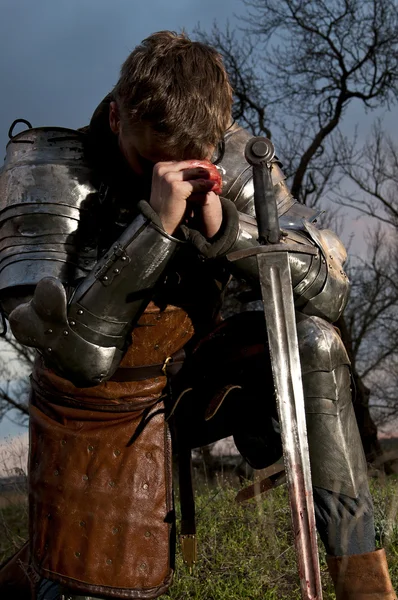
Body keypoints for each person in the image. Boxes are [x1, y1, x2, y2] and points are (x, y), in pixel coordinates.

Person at [0, 30, 396, 600]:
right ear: (116, 118)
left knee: (315, 343)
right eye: (148, 158)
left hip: (193, 376)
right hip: (98, 405)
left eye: (193, 160)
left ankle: (369, 588)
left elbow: (332, 290)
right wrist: (156, 228)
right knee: (78, 589)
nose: (169, 174)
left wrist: (231, 232)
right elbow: (80, 357)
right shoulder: (50, 169)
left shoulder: (230, 156)